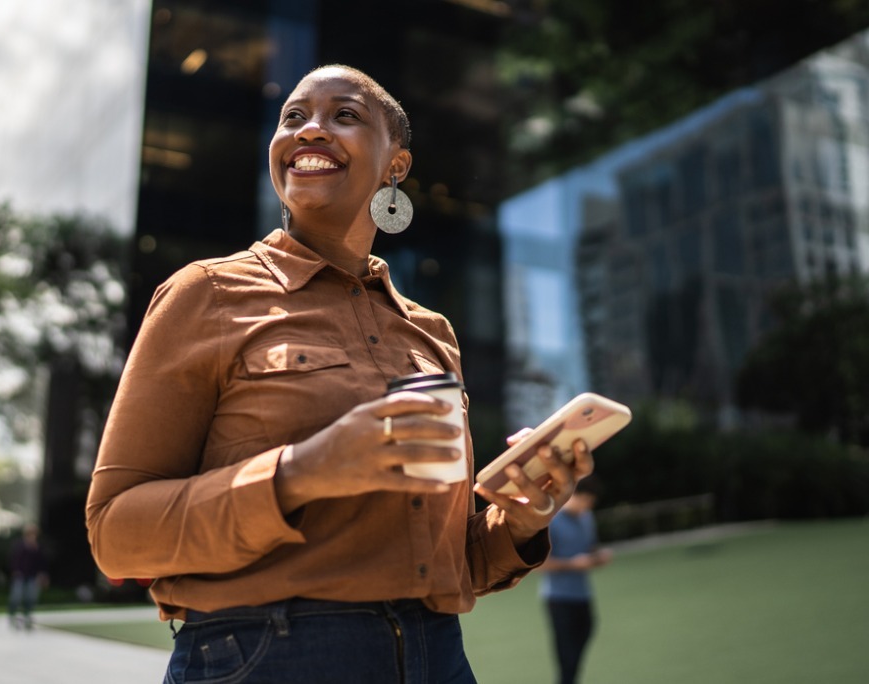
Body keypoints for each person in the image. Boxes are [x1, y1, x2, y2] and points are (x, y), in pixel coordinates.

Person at [86, 64, 594, 683]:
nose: (309, 131)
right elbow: (115, 532)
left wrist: (517, 520)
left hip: (438, 657)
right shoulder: (205, 295)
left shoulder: (432, 335)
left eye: (344, 116)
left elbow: (440, 562)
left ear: (396, 166)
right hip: (264, 655)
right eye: (293, 118)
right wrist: (303, 471)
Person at [538, 476, 612, 684]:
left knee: (586, 633)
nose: (587, 506)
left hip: (583, 594)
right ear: (573, 496)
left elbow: (590, 547)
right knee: (566, 657)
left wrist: (598, 556)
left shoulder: (586, 518)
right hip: (558, 598)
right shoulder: (552, 521)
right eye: (585, 501)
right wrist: (572, 564)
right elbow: (540, 564)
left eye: (591, 503)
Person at [7, 523, 47, 630]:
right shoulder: (20, 545)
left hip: (32, 575)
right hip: (20, 575)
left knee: (30, 597)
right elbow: (15, 559)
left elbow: (41, 562)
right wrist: (15, 571)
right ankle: (12, 615)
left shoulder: (38, 546)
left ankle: (27, 616)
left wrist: (42, 574)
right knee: (16, 596)